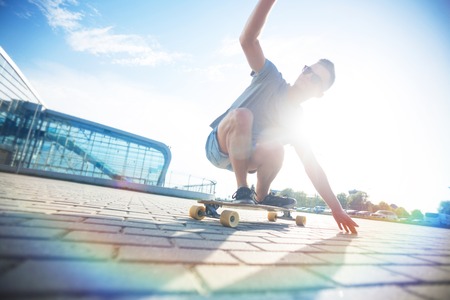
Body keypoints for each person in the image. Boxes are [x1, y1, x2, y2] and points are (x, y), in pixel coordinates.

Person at [205, 0, 358, 234]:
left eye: (315, 78)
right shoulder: (270, 77)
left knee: (277, 148)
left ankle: (261, 194)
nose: (307, 76)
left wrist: (336, 208)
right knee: (243, 115)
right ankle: (243, 190)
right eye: (308, 69)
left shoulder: (297, 121)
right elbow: (248, 40)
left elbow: (312, 166)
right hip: (219, 144)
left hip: (248, 158)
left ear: (319, 94)